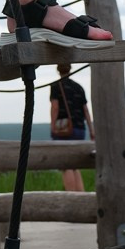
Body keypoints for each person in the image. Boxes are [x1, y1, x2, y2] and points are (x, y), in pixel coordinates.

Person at [50, 64, 94, 192]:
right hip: (80, 129)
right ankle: (81, 195)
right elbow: (86, 111)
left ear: (58, 69)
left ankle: (71, 195)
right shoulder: (79, 87)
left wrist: (53, 126)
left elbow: (55, 107)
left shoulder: (56, 86)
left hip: (64, 130)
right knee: (75, 165)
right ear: (70, 69)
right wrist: (91, 130)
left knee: (66, 164)